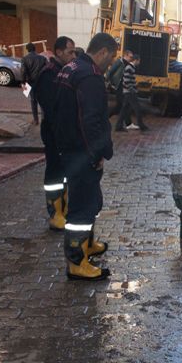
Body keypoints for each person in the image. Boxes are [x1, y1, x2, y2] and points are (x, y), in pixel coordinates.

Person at [54, 33, 118, 281]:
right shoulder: (90, 76)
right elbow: (91, 120)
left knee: (91, 202)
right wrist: (96, 153)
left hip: (70, 148)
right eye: (111, 58)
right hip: (82, 152)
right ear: (102, 52)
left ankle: (86, 245)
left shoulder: (70, 68)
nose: (110, 64)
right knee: (82, 209)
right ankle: (76, 262)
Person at [32, 36, 76, 232]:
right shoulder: (49, 74)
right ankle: (55, 214)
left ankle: (64, 210)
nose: (73, 56)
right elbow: (52, 108)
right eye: (70, 52)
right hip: (54, 131)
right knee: (54, 174)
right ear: (58, 52)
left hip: (64, 132)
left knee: (64, 173)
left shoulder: (63, 72)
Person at [115, 53, 148, 132]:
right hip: (129, 92)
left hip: (128, 91)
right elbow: (127, 80)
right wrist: (133, 89)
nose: (139, 63)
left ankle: (118, 126)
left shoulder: (130, 67)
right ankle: (141, 125)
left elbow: (129, 80)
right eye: (139, 61)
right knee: (137, 108)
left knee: (125, 109)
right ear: (136, 60)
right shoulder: (130, 68)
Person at [21, 43, 48, 125]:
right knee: (42, 101)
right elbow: (47, 69)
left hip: (31, 82)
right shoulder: (42, 58)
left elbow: (23, 72)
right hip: (42, 82)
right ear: (35, 49)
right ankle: (44, 119)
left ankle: (35, 120)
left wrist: (23, 82)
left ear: (27, 49)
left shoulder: (25, 59)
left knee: (33, 101)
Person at [106, 50, 132, 126]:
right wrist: (108, 82)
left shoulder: (127, 64)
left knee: (119, 106)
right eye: (130, 57)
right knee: (124, 104)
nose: (131, 58)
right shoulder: (119, 62)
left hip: (123, 87)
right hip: (118, 87)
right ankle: (128, 123)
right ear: (126, 55)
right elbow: (110, 72)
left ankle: (105, 117)